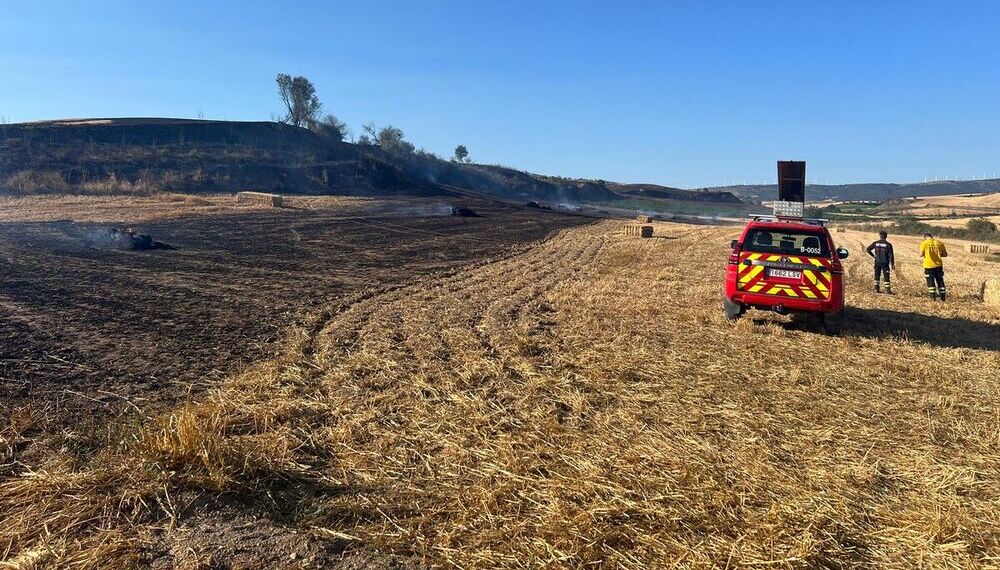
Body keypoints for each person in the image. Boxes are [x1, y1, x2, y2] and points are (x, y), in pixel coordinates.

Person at [919, 232, 948, 301]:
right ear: (932, 236)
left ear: (925, 237)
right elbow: (945, 254)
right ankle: (943, 297)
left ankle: (932, 297)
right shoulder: (939, 243)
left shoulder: (924, 243)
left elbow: (921, 254)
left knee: (930, 281)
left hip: (928, 265)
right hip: (938, 265)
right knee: (940, 280)